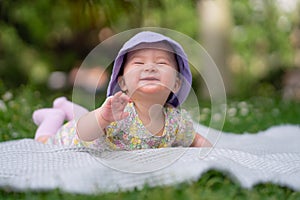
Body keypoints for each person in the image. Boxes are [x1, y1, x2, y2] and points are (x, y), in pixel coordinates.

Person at [33, 31, 211, 150]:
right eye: (139, 63)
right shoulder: (119, 113)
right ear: (123, 83)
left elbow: (194, 139)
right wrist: (102, 117)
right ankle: (52, 117)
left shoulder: (175, 121)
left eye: (161, 63)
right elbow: (84, 132)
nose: (149, 67)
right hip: (74, 136)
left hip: (95, 123)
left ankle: (65, 106)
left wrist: (213, 153)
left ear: (176, 84)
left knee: (88, 115)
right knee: (45, 142)